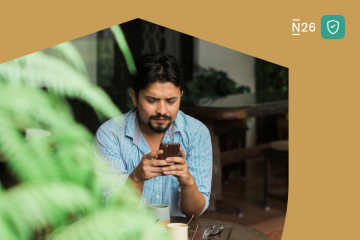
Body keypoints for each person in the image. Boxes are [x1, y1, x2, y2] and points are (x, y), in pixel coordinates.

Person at [94, 53, 212, 218]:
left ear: (181, 97)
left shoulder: (196, 133)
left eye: (171, 101)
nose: (162, 111)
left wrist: (187, 181)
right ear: (135, 98)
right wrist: (136, 178)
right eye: (151, 100)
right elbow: (115, 210)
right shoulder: (110, 135)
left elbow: (194, 212)